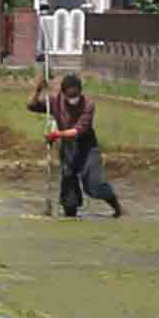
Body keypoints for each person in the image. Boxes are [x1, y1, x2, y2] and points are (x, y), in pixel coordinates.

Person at [36, 69, 121, 218]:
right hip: (68, 150)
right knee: (69, 200)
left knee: (95, 187)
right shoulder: (55, 102)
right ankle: (71, 219)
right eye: (69, 95)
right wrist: (37, 89)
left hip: (88, 149)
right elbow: (31, 105)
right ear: (63, 92)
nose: (72, 98)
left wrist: (57, 134)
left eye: (75, 94)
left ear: (80, 91)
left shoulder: (88, 104)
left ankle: (116, 206)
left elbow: (78, 130)